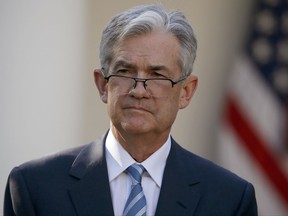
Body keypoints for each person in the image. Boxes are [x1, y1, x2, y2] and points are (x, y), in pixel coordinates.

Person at [4, 4, 257, 216]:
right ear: (103, 85)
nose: (138, 90)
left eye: (157, 75)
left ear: (186, 92)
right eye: (125, 72)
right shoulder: (34, 186)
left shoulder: (230, 199)